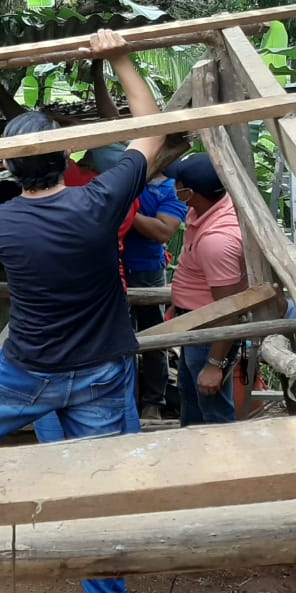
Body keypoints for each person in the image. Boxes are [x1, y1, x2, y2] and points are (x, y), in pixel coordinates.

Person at [0, 29, 165, 593]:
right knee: (100, 490)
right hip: (105, 369)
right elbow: (152, 126)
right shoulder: (100, 204)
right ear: (66, 160)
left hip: (25, 371)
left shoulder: (1, 222)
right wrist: (116, 58)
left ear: (8, 169)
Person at [165, 153, 247, 425]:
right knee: (192, 401)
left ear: (189, 192)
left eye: (178, 184)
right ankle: (198, 460)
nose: (173, 186)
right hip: (197, 323)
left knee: (213, 413)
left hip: (209, 333)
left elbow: (229, 308)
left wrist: (215, 364)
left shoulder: (217, 241)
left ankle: (224, 465)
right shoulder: (206, 209)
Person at [124, 168, 189, 418]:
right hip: (114, 267)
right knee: (121, 336)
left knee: (154, 337)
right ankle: (126, 401)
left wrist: (127, 210)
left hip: (147, 270)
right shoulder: (124, 176)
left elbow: (163, 231)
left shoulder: (172, 188)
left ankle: (154, 402)